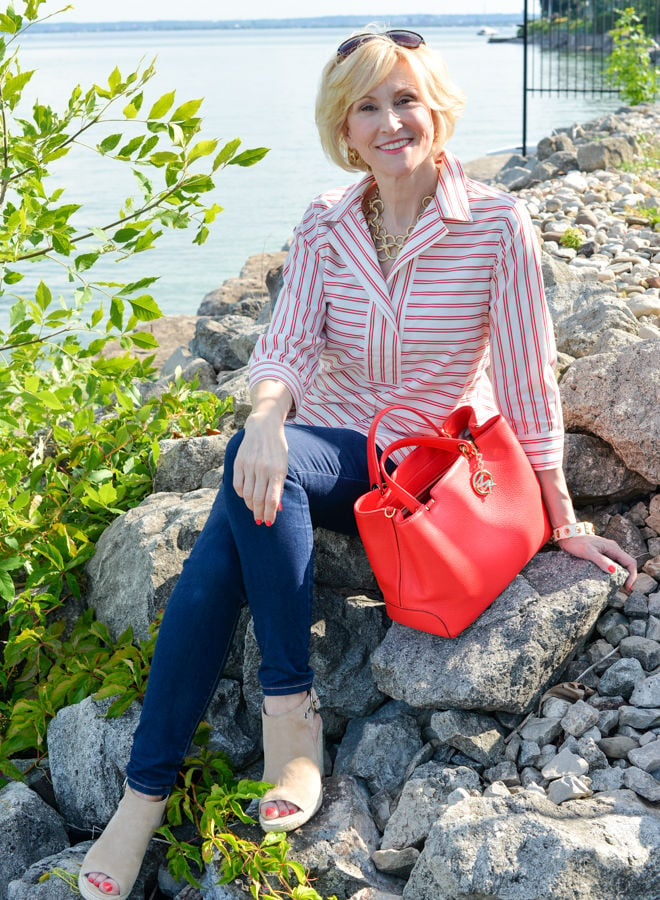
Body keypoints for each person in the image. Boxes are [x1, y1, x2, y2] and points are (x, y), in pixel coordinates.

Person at [78, 28, 637, 900]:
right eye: (366, 106)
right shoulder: (325, 223)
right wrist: (265, 416)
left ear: (438, 110)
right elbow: (288, 344)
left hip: (426, 469)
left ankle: (204, 765)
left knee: (231, 526)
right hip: (334, 458)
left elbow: (529, 380)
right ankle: (215, 764)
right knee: (252, 478)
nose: (390, 122)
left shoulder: (495, 223)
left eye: (406, 99)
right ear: (344, 129)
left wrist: (562, 514)